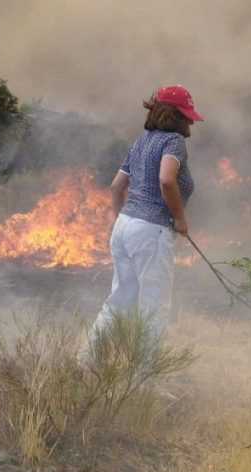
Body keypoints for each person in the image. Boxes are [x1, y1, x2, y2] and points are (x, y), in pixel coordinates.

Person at [89, 85, 203, 341]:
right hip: (152, 230)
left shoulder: (142, 141)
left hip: (125, 226)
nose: (190, 124)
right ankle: (145, 372)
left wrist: (120, 219)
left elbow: (117, 186)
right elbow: (166, 180)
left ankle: (87, 361)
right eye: (186, 116)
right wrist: (181, 217)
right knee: (154, 307)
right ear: (176, 116)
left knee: (118, 302)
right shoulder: (174, 142)